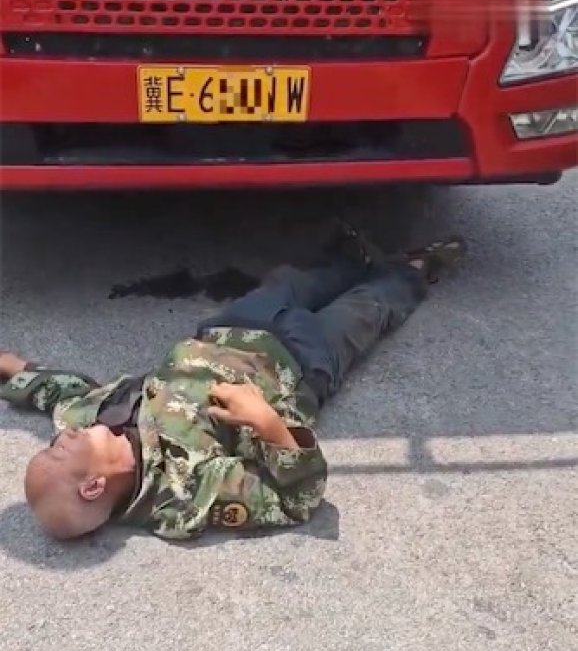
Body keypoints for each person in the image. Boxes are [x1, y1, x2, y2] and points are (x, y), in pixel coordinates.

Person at [0, 229, 465, 542]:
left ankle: (352, 260)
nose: (62, 438)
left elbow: (56, 389)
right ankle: (414, 269)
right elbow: (297, 498)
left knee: (292, 284)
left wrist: (10, 366)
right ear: (93, 487)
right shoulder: (185, 496)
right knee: (367, 310)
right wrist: (266, 423)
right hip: (300, 365)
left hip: (231, 330)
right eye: (58, 454)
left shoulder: (89, 419)